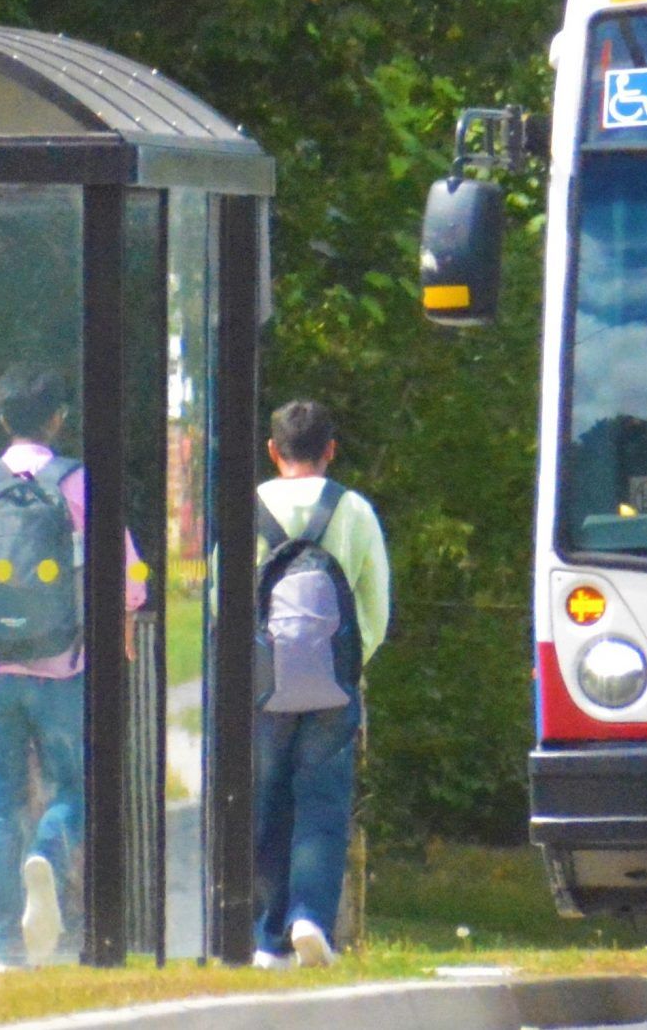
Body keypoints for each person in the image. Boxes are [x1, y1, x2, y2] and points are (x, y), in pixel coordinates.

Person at [0, 365, 144, 970]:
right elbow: (127, 574)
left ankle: (5, 950)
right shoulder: (78, 485)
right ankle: (47, 849)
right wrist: (121, 631)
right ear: (58, 418)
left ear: (1, 419)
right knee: (74, 788)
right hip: (62, 668)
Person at [251, 399, 391, 969]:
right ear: (330, 450)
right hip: (333, 682)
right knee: (323, 802)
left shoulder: (250, 506)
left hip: (264, 685)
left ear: (273, 450)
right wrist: (350, 667)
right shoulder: (353, 510)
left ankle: (268, 939)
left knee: (266, 801)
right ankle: (310, 916)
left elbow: (218, 598)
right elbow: (375, 606)